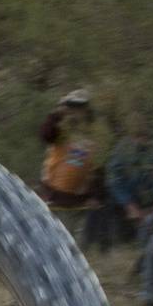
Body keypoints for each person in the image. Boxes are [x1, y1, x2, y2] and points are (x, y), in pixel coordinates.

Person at [38, 90, 107, 247]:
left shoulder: (95, 135)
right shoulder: (61, 128)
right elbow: (46, 135)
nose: (76, 111)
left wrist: (96, 196)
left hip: (79, 202)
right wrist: (56, 114)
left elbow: (98, 168)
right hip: (53, 197)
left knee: (72, 248)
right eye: (72, 106)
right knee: (49, 244)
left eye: (79, 106)